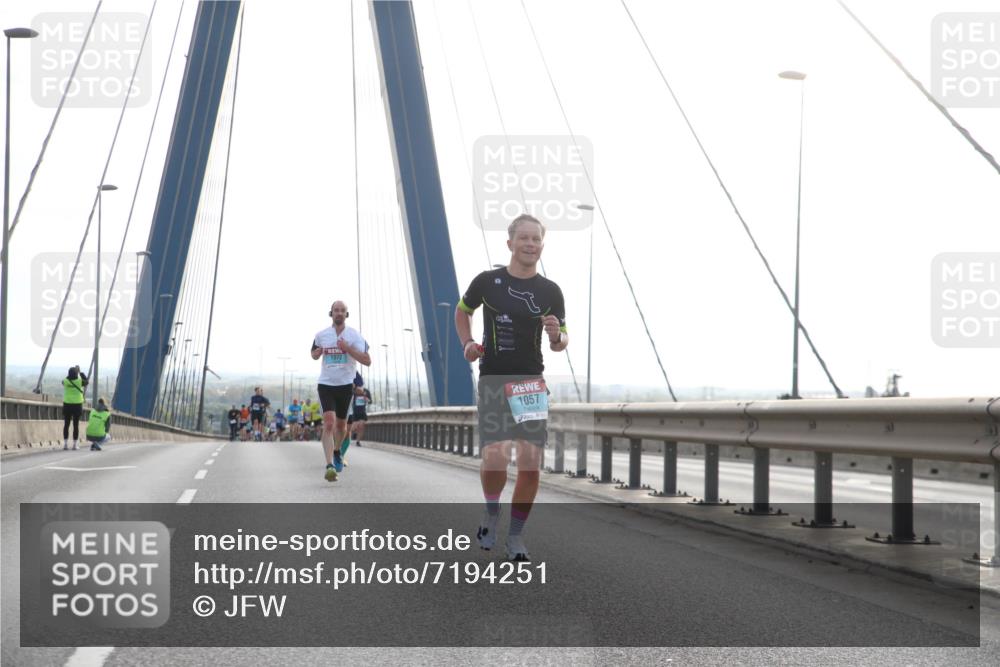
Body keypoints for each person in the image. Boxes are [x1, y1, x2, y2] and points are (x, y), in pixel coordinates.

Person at [455, 214, 567, 561]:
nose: (530, 244)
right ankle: (491, 511)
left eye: (536, 239)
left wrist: (555, 335)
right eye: (524, 238)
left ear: (542, 246)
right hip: (493, 379)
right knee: (495, 457)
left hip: (530, 383)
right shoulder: (488, 282)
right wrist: (467, 343)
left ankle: (516, 537)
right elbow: (463, 311)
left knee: (531, 464)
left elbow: (562, 340)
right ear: (510, 243)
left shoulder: (550, 291)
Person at [311, 300, 371, 481]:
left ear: (346, 314)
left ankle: (337, 451)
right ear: (331, 313)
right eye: (336, 310)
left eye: (342, 311)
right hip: (326, 384)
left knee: (341, 427)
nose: (339, 313)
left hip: (345, 386)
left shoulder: (355, 336)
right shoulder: (321, 335)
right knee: (329, 423)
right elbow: (313, 354)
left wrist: (348, 349)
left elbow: (367, 360)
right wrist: (318, 352)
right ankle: (329, 465)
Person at [62, 365, 88, 450]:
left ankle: (65, 444)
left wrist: (70, 375)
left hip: (67, 405)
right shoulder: (79, 381)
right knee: (75, 425)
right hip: (77, 405)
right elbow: (86, 381)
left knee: (66, 425)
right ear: (76, 373)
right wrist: (80, 372)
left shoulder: (66, 381)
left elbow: (64, 380)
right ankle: (74, 444)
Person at [347, 378, 372, 450]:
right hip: (354, 411)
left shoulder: (366, 391)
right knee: (354, 427)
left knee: (361, 426)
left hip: (362, 411)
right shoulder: (353, 391)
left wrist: (366, 399)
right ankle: (346, 437)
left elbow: (370, 401)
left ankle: (358, 441)